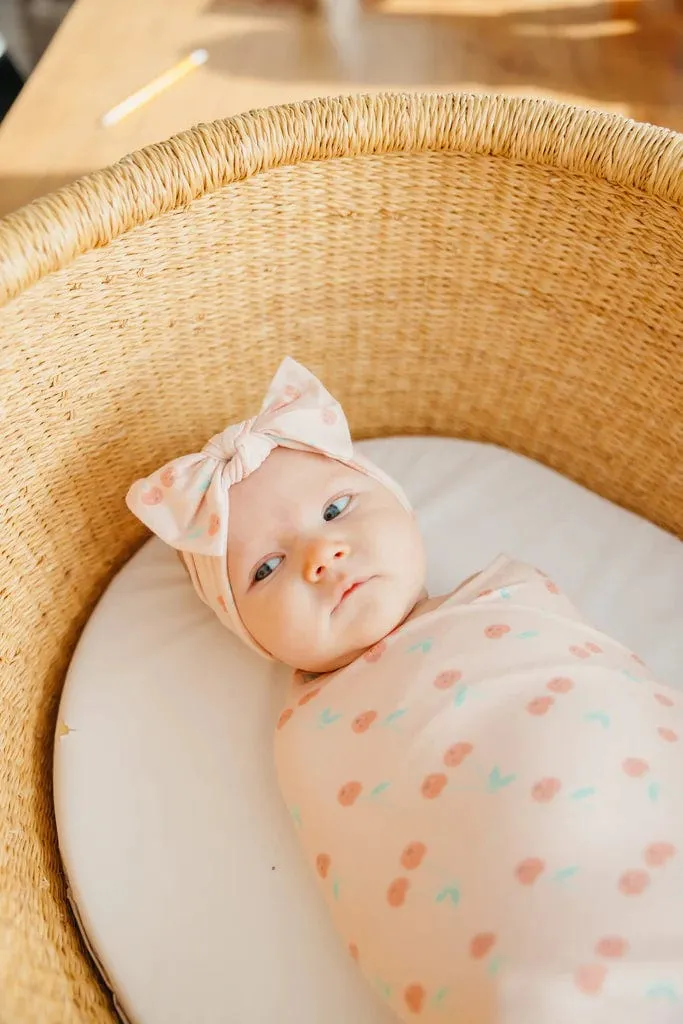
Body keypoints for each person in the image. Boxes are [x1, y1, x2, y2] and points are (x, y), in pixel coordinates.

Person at [127, 358, 683, 1023]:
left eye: (336, 508)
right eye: (266, 568)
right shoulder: (310, 737)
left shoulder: (510, 597)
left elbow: (614, 699)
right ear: (249, 636)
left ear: (403, 510)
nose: (321, 554)